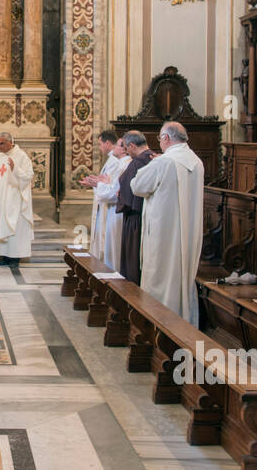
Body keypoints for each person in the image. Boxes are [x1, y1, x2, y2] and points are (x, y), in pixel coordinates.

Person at [129, 121, 205, 326]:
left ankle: (158, 323)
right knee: (181, 276)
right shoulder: (196, 161)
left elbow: (137, 186)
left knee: (159, 277)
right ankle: (183, 320)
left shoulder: (163, 162)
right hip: (187, 232)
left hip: (163, 233)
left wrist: (154, 164)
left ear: (166, 138)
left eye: (160, 139)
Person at [0, 132, 34, 265]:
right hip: (0, 199)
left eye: (2, 143)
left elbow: (28, 176)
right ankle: (4, 256)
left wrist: (15, 169)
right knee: (1, 226)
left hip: (14, 199)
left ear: (11, 142)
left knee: (14, 227)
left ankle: (15, 258)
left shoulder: (21, 156)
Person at [82, 131, 129, 268]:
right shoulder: (115, 161)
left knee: (110, 249)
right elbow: (109, 183)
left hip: (113, 209)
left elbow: (114, 189)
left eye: (100, 144)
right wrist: (97, 182)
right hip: (108, 206)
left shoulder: (118, 162)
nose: (100, 147)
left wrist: (97, 184)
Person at [115, 130, 154, 284]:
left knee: (132, 259)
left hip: (134, 216)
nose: (125, 151)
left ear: (132, 145)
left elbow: (127, 187)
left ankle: (131, 294)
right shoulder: (154, 158)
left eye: (125, 147)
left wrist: (119, 195)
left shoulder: (138, 162)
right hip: (148, 215)